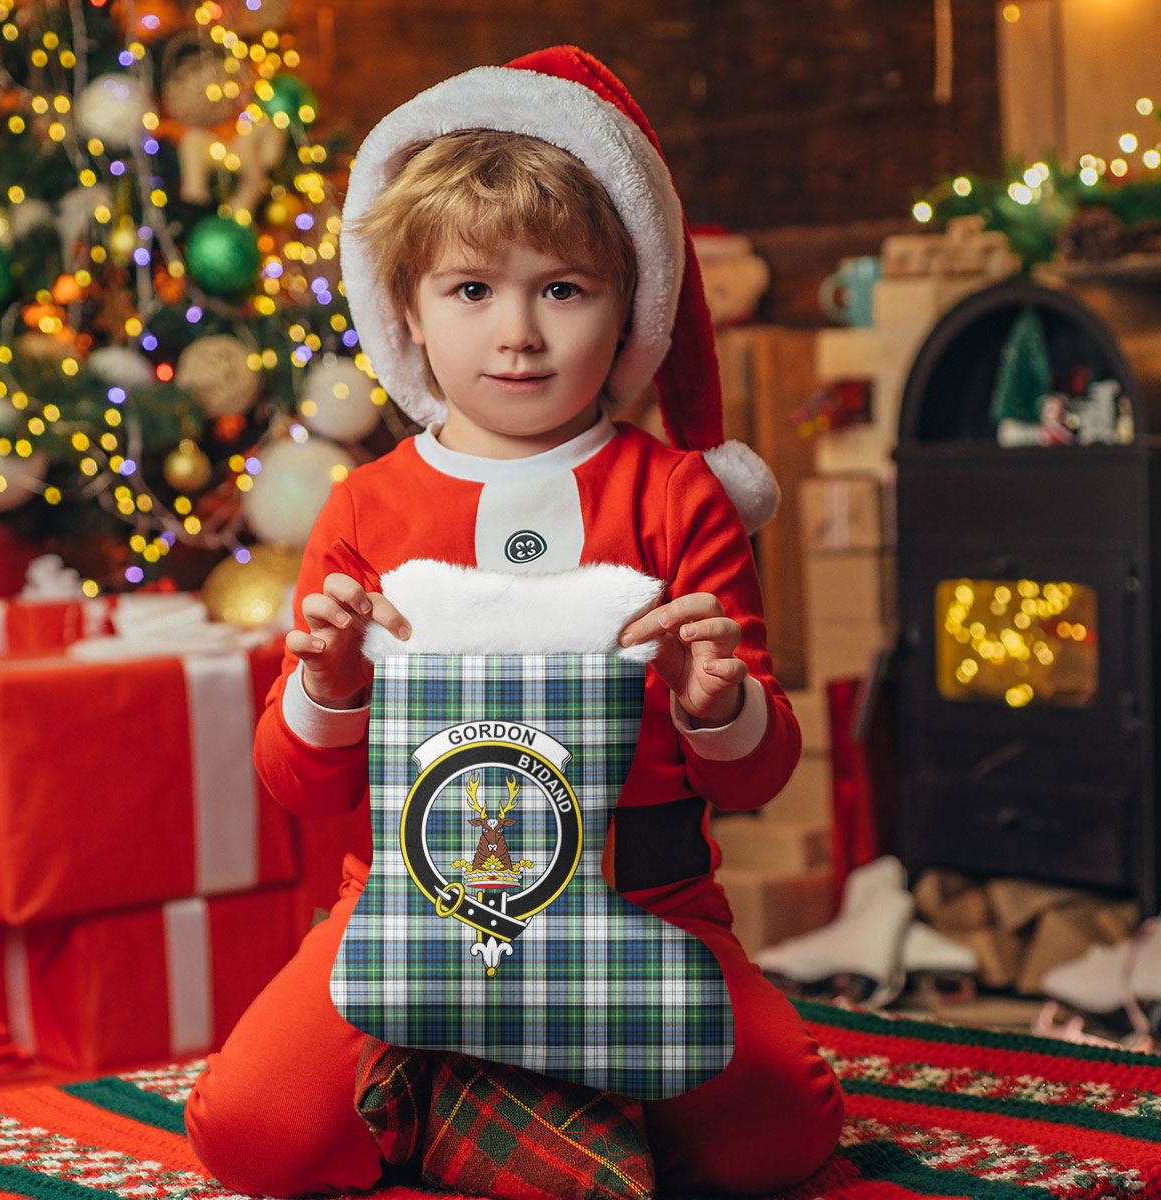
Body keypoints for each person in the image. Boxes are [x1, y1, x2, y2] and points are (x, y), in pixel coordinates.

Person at [185, 45, 843, 1197]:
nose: (519, 334)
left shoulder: (677, 496)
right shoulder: (368, 503)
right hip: (408, 901)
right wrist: (330, 686)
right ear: (408, 310)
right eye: (473, 289)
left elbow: (757, 780)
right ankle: (503, 1091)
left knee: (778, 1136)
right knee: (254, 1135)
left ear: (626, 303)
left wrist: (721, 705)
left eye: (563, 288)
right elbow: (300, 785)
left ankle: (488, 1088)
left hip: (646, 902)